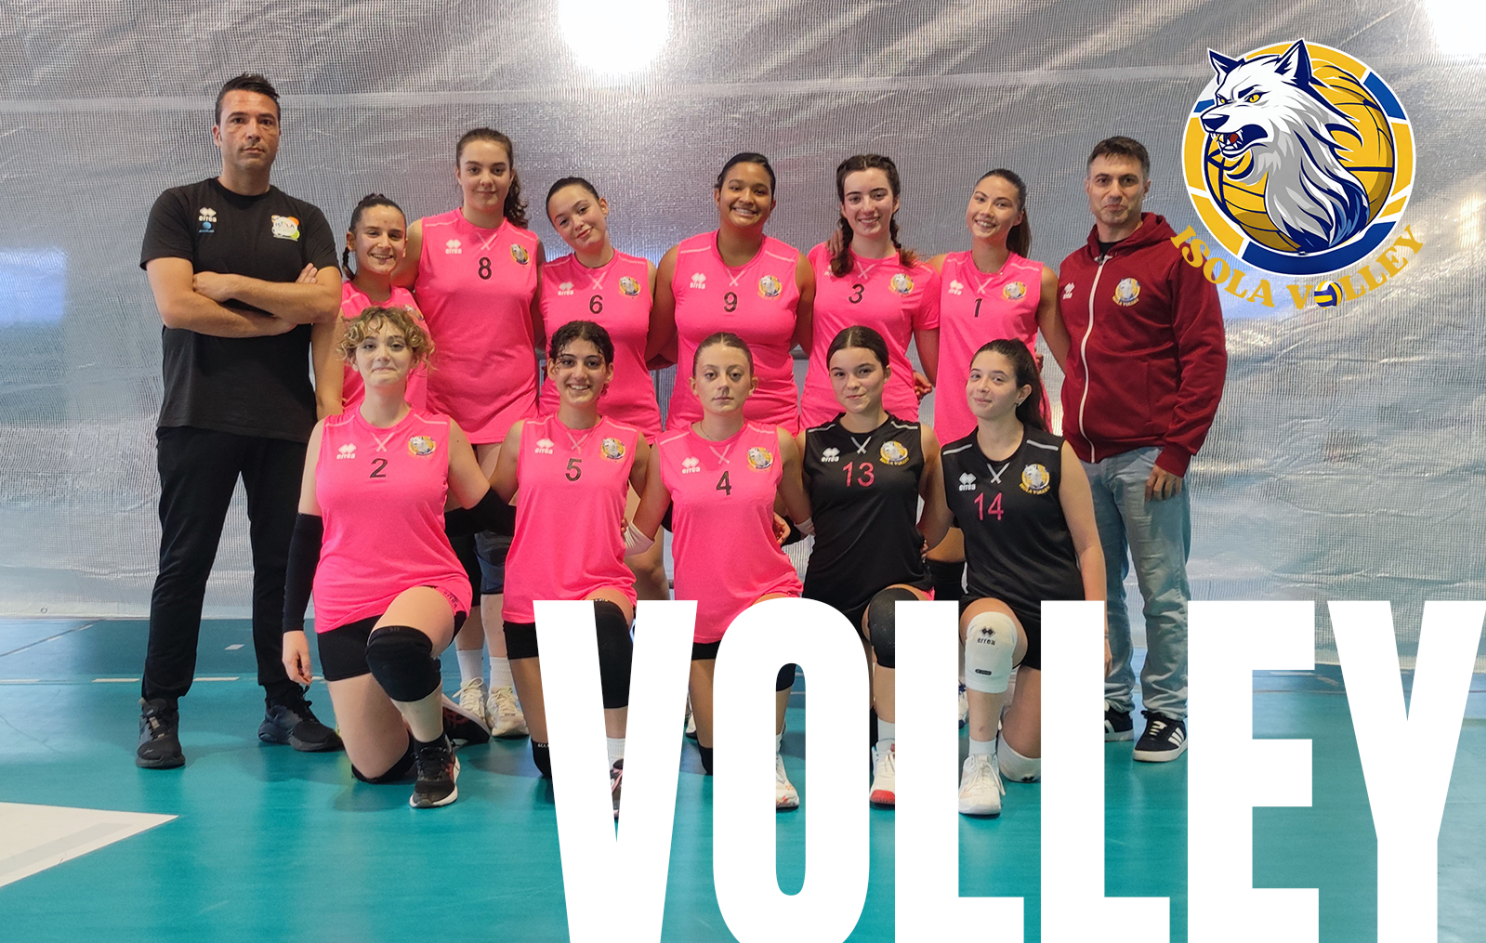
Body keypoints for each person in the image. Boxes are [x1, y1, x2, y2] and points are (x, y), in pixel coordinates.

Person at [136, 73, 343, 769]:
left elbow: (326, 302)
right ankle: (160, 708)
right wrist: (276, 317)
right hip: (197, 415)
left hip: (285, 422)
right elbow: (177, 306)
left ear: (280, 133)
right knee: (183, 564)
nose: (254, 130)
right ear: (216, 131)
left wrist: (230, 287)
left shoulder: (305, 218)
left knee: (281, 568)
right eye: (240, 119)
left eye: (266, 120)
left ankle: (284, 703)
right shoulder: (178, 206)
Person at [281, 305, 512, 808]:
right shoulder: (327, 435)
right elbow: (305, 533)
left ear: (415, 358)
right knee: (376, 769)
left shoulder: (441, 432)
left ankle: (435, 751)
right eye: (369, 345)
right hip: (344, 599)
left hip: (425, 584)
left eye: (395, 344)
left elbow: (487, 512)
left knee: (395, 646)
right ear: (353, 360)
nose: (382, 354)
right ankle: (429, 702)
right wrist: (291, 626)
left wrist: (569, 518)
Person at [1055, 136, 1227, 761]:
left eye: (1127, 180)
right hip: (1084, 460)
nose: (1115, 192)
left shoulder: (1179, 258)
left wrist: (1177, 450)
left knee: (1162, 591)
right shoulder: (1072, 269)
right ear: (1087, 187)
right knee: (1097, 590)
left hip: (1150, 457)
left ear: (1146, 188)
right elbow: (1076, 360)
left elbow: (1206, 357)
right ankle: (1112, 701)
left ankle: (1167, 712)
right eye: (1104, 180)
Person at [394, 127, 544, 739]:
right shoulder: (423, 235)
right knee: (455, 553)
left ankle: (505, 689)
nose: (486, 179)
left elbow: (537, 328)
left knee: (502, 552)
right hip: (443, 413)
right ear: (456, 173)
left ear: (511, 176)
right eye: (475, 168)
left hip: (511, 410)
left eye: (497, 169)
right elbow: (387, 296)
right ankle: (471, 682)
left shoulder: (528, 245)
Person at [628, 332, 812, 809]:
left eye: (735, 374)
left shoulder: (778, 444)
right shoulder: (668, 450)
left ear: (753, 383)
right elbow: (640, 536)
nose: (723, 384)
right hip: (703, 613)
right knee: (717, 761)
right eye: (711, 375)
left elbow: (807, 521)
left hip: (766, 591)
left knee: (775, 629)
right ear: (693, 385)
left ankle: (770, 753)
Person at [936, 340, 1107, 815]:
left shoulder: (1054, 453)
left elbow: (1089, 547)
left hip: (1057, 614)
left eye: (997, 378)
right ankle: (978, 763)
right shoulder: (951, 459)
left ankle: (1004, 708)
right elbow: (929, 539)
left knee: (1022, 765)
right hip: (993, 604)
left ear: (1022, 392)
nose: (982, 386)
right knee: (989, 632)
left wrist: (1098, 631)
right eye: (975, 375)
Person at [490, 321, 649, 814]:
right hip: (530, 601)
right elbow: (488, 511)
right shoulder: (523, 436)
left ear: (609, 374)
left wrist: (629, 538)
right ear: (551, 371)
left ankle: (620, 759)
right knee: (553, 764)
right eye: (568, 362)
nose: (579, 373)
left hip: (600, 586)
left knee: (603, 622)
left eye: (592, 363)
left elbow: (674, 504)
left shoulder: (630, 441)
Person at [799, 326, 950, 807]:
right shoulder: (808, 443)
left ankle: (892, 753)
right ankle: (878, 726)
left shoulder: (920, 439)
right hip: (831, 592)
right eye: (840, 374)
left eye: (864, 371)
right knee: (847, 740)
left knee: (890, 623)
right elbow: (794, 519)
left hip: (898, 584)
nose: (853, 384)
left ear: (887, 373)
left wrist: (914, 544)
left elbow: (939, 517)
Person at [923, 169, 1069, 614]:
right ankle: (951, 656)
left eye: (1001, 203)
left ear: (1018, 217)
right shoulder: (939, 270)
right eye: (980, 198)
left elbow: (1072, 362)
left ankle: (1024, 646)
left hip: (1017, 434)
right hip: (955, 431)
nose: (987, 211)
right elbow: (886, 287)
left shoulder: (1038, 278)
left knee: (1020, 551)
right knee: (943, 556)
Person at [540, 177, 668, 604]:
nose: (576, 223)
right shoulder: (546, 278)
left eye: (582, 209)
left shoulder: (644, 272)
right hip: (565, 431)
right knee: (571, 557)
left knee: (643, 561)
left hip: (635, 428)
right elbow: (537, 342)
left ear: (603, 205)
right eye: (562, 220)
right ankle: (595, 640)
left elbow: (656, 345)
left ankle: (655, 647)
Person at [652, 152, 814, 433]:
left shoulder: (796, 266)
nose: (747, 198)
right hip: (692, 423)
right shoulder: (678, 260)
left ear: (772, 204)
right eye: (736, 187)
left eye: (759, 191)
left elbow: (807, 343)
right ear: (718, 195)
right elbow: (658, 343)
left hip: (773, 425)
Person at [799, 155, 939, 429]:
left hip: (892, 413)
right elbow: (811, 342)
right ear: (843, 207)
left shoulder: (921, 277)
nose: (867, 207)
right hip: (822, 413)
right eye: (855, 198)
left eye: (878, 195)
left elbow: (937, 369)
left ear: (895, 201)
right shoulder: (819, 258)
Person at [311, 193, 429, 418]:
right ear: (351, 241)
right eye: (373, 233)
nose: (384, 244)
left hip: (414, 434)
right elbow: (328, 400)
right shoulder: (338, 307)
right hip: (361, 435)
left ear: (405, 246)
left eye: (394, 235)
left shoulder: (409, 300)